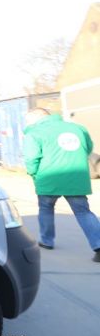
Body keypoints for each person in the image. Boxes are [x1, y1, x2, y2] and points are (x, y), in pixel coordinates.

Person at [23, 108, 100, 262]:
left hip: (48, 178)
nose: (28, 124)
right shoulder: (77, 128)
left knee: (46, 208)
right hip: (76, 177)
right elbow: (88, 148)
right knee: (83, 212)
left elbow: (31, 159)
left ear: (36, 118)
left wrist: (34, 174)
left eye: (28, 120)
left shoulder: (34, 133)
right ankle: (98, 245)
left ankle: (47, 240)